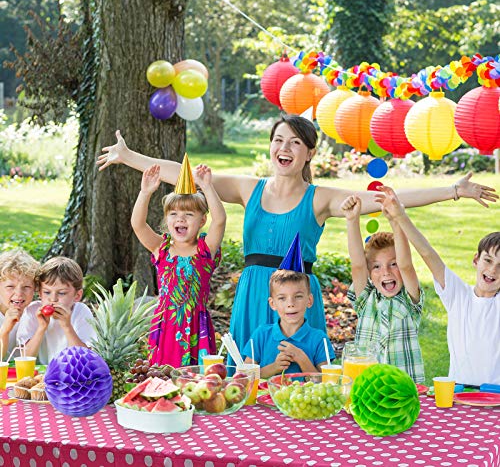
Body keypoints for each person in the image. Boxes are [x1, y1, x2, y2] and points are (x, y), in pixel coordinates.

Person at [96, 114, 497, 360]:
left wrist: (452, 190)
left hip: (299, 298)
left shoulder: (319, 198)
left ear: (308, 154)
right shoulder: (247, 188)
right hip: (255, 293)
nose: (284, 148)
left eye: (295, 143)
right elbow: (178, 172)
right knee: (250, 378)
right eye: (278, 140)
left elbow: (386, 199)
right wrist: (131, 158)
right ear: (270, 148)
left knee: (297, 375)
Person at [376, 186, 500, 386]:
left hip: (496, 397)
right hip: (459, 393)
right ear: (476, 260)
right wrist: (400, 217)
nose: (493, 270)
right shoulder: (458, 295)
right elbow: (427, 253)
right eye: (488, 260)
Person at [131, 161, 226, 367]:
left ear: (201, 221)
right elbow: (138, 225)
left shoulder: (205, 250)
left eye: (188, 214)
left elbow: (219, 220)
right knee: (163, 377)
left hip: (196, 328)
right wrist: (145, 192)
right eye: (173, 214)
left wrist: (208, 187)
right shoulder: (161, 249)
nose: (180, 219)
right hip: (165, 326)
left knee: (197, 383)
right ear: (167, 219)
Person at [342, 194, 425, 382]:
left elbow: (406, 266)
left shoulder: (410, 300)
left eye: (392, 264)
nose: (386, 272)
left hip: (402, 387)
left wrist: (396, 221)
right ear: (370, 272)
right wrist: (352, 220)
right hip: (366, 386)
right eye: (376, 267)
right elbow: (357, 265)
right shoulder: (365, 300)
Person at [242, 269, 333, 378]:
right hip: (267, 395)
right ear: (272, 303)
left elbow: (326, 382)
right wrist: (274, 367)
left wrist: (301, 358)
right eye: (282, 298)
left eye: (298, 296)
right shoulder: (261, 335)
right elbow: (245, 377)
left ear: (309, 300)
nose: (290, 304)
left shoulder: (319, 339)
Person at [17, 257, 96, 364]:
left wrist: (67, 326)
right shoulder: (32, 311)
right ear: (39, 293)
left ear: (77, 296)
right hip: (39, 375)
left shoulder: (81, 312)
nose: (53, 299)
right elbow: (24, 357)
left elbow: (84, 358)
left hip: (71, 374)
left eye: (62, 293)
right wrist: (41, 328)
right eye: (47, 292)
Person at [0, 249, 38, 359]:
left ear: (35, 288)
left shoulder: (36, 313)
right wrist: (5, 329)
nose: (19, 294)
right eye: (10, 287)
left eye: (26, 287)